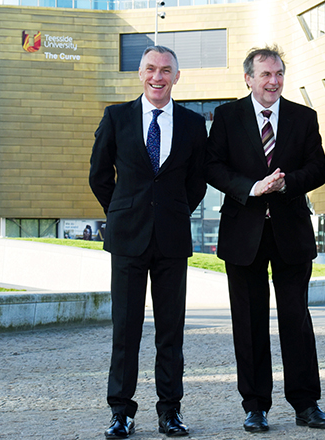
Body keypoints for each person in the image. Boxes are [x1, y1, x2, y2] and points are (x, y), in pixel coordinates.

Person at [204, 45, 325, 433]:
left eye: (279, 74)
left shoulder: (303, 116)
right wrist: (252, 187)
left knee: (296, 320)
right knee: (249, 322)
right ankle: (256, 405)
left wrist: (286, 183)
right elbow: (212, 166)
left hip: (290, 231)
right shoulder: (227, 116)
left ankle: (306, 404)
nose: (273, 81)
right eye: (265, 75)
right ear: (248, 78)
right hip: (243, 234)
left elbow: (318, 168)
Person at [89, 46, 207, 439]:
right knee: (126, 329)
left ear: (177, 77)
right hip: (127, 239)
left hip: (172, 240)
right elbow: (99, 175)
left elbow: (196, 182)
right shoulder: (116, 117)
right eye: (151, 69)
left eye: (166, 70)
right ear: (140, 74)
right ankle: (121, 412)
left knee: (170, 331)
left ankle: (169, 411)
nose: (158, 76)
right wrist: (123, 211)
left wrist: (169, 211)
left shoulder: (193, 123)